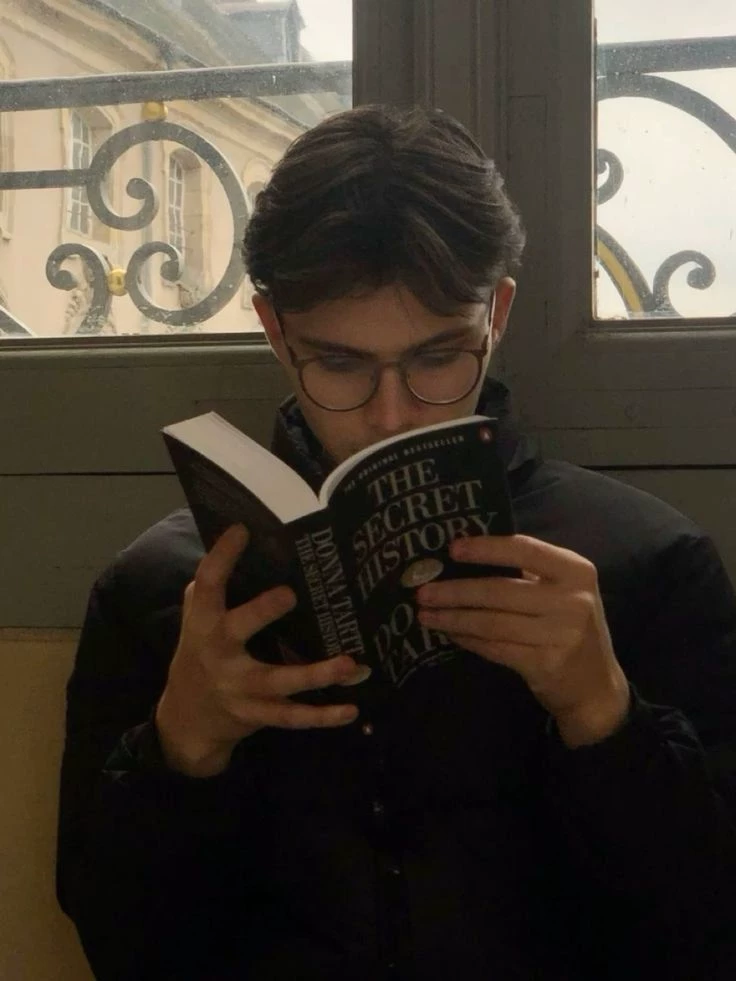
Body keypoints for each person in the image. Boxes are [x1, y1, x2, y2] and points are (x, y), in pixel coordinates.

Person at [57, 105, 736, 981]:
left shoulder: (653, 565)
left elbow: (708, 934)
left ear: (496, 315)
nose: (391, 415)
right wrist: (179, 748)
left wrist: (605, 717)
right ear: (275, 331)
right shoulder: (160, 592)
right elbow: (120, 948)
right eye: (340, 364)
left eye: (438, 358)